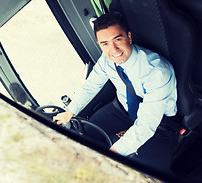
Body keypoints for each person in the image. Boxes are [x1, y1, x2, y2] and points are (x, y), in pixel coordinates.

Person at [53, 13, 179, 172]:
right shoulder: (107, 61)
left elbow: (146, 125)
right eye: (105, 44)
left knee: (135, 171)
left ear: (129, 37)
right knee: (84, 137)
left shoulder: (157, 72)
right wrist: (69, 112)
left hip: (160, 124)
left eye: (118, 40)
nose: (113, 50)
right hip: (121, 111)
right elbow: (90, 85)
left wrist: (112, 153)